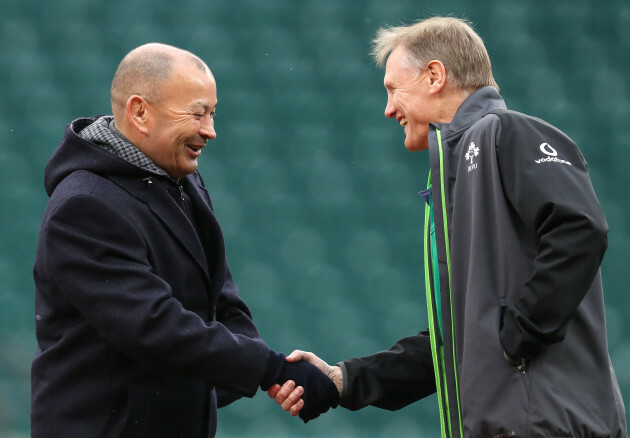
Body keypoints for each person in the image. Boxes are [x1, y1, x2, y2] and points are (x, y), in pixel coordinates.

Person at [270, 17, 628, 437]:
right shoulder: (451, 173)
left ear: (435, 75)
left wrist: (517, 335)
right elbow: (456, 342)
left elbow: (580, 228)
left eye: (392, 88)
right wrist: (344, 380)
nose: (387, 109)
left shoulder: (507, 131)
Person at [31, 42, 339, 438]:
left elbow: (221, 299)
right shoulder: (84, 206)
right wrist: (268, 368)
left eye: (212, 113)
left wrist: (271, 372)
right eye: (197, 114)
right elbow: (153, 327)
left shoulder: (182, 179)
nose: (210, 130)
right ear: (140, 112)